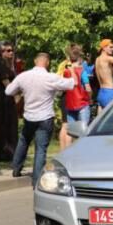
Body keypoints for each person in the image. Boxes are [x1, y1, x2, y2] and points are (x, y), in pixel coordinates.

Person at [6, 53, 75, 185]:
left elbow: (8, 91)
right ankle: (36, 179)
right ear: (47, 62)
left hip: (29, 116)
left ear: (35, 61)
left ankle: (16, 168)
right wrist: (72, 71)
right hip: (45, 117)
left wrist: (22, 90)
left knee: (24, 141)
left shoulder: (23, 76)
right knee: (41, 149)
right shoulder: (51, 77)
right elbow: (71, 84)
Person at [59, 45, 92, 150]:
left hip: (69, 104)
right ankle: (82, 152)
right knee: (83, 131)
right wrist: (90, 98)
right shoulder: (82, 71)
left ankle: (67, 153)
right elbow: (88, 88)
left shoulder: (65, 71)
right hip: (82, 103)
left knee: (70, 131)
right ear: (79, 57)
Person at [0, 42, 18, 161]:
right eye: (8, 50)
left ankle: (10, 151)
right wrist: (17, 95)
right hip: (2, 98)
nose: (11, 52)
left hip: (8, 97)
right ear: (1, 52)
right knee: (2, 124)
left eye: (12, 50)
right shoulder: (0, 63)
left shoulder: (9, 63)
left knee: (10, 124)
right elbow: (6, 83)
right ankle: (3, 152)